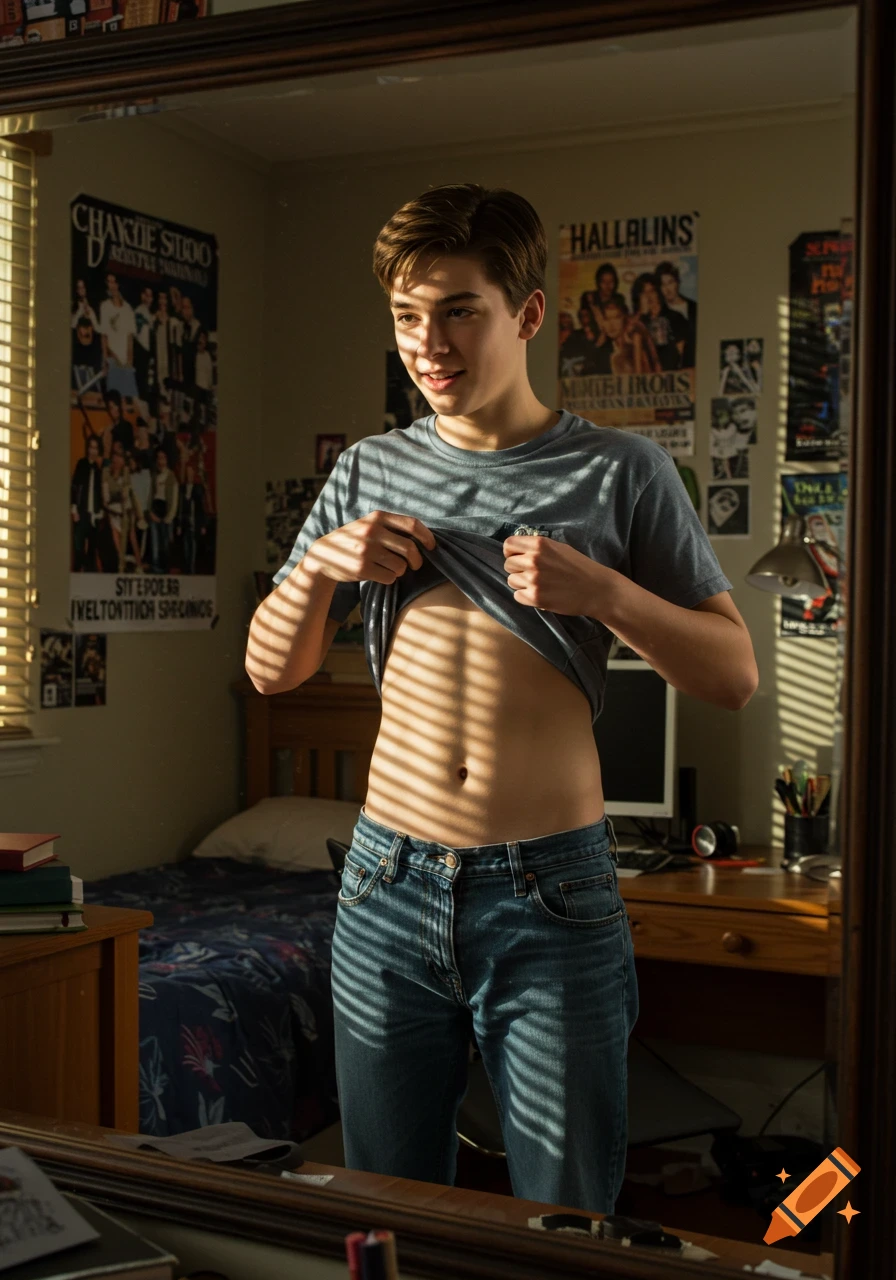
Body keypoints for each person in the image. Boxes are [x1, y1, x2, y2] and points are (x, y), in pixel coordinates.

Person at [245, 183, 758, 1216]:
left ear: (526, 314)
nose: (426, 344)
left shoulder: (622, 471)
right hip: (385, 885)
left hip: (549, 896)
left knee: (563, 1218)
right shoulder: (366, 471)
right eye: (404, 317)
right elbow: (270, 672)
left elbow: (732, 672)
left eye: (457, 310)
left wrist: (603, 592)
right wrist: (318, 571)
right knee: (385, 1209)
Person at [655, 260, 697, 367]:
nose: (667, 289)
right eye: (663, 285)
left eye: (670, 282)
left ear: (677, 282)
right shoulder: (660, 316)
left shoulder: (695, 307)